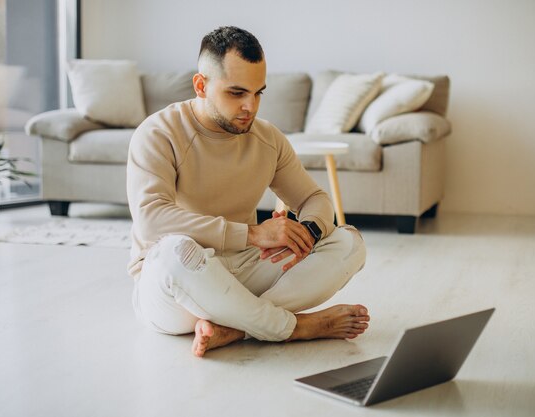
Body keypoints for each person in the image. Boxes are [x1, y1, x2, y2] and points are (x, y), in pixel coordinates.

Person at [127, 26, 369, 357]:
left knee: (349, 243)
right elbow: (151, 221)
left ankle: (236, 328)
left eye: (258, 93)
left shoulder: (267, 138)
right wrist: (252, 234)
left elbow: (316, 200)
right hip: (176, 288)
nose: (250, 107)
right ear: (201, 86)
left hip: (245, 272)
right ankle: (295, 327)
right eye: (236, 93)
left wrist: (308, 232)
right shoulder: (158, 133)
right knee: (175, 252)